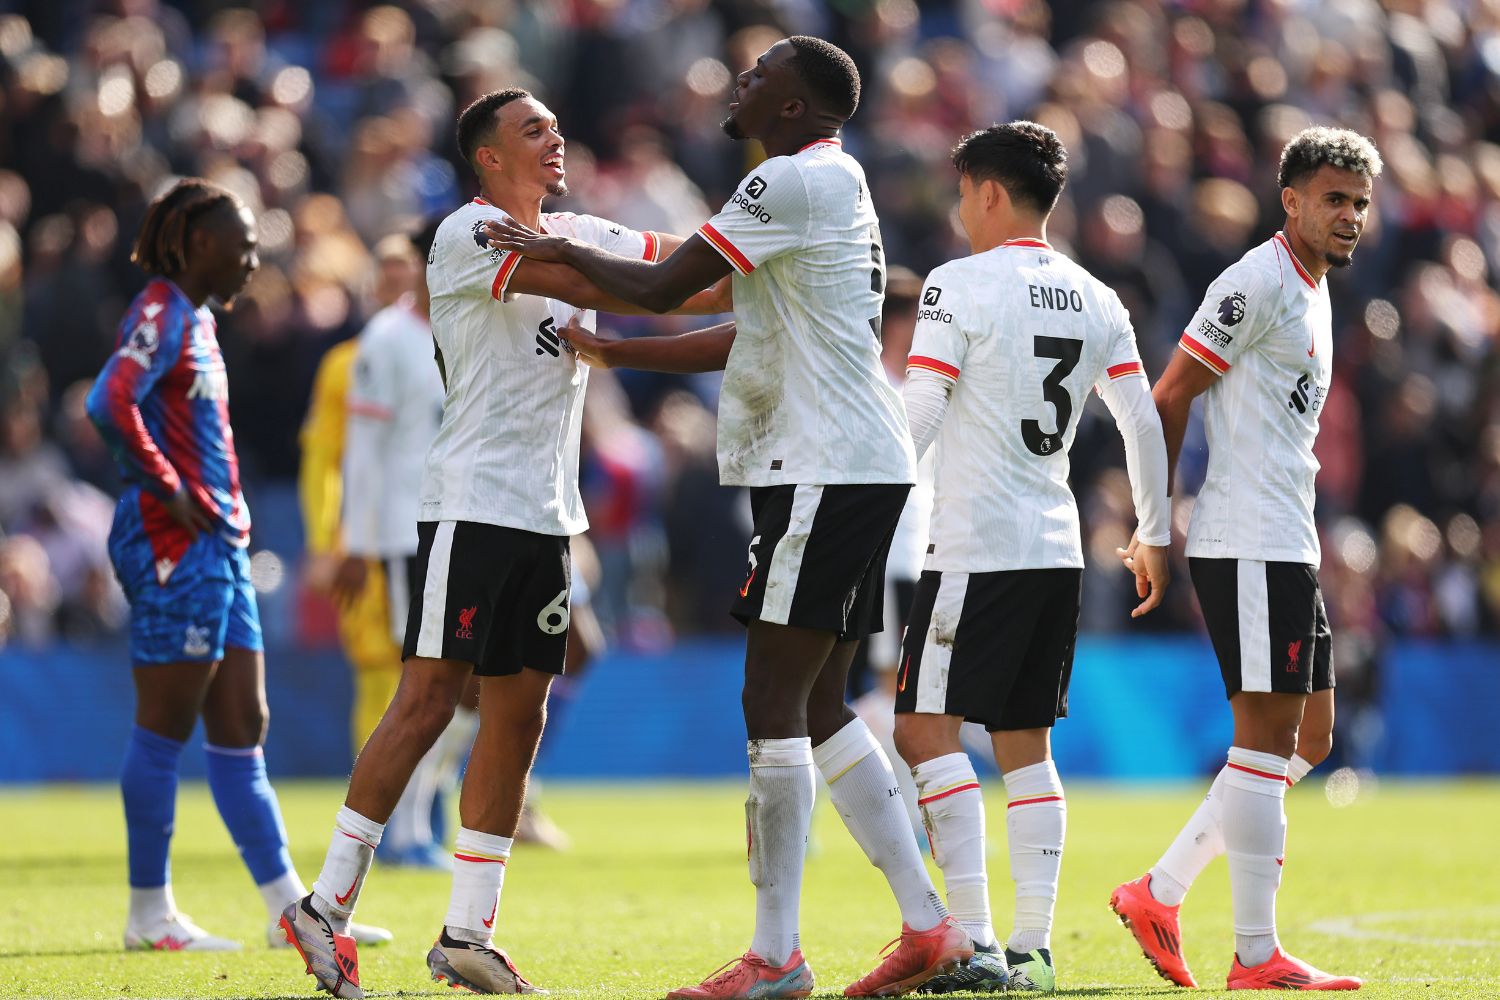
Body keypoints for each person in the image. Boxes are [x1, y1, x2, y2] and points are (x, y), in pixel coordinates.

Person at [491, 36, 973, 1000]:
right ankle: (930, 927)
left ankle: (777, 955)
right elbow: (746, 331)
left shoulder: (785, 185)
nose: (739, 83)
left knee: (771, 701)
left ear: (794, 107)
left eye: (758, 77)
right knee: (824, 704)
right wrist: (619, 357)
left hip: (825, 468)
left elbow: (667, 287)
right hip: (844, 463)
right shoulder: (825, 184)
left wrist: (554, 250)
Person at [279, 88, 726, 999]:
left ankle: (467, 932)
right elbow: (603, 285)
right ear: (487, 156)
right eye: (533, 130)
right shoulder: (467, 235)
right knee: (428, 698)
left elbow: (692, 277)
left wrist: (769, 263)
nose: (555, 137)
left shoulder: (575, 227)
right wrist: (677, 280)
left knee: (520, 713)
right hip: (474, 505)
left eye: (558, 125)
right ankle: (322, 905)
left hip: (550, 516)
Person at [878, 122, 1172, 996]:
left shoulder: (957, 285)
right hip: (1055, 544)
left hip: (971, 544)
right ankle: (1034, 950)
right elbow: (1142, 422)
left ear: (991, 193)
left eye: (964, 191)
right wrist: (1152, 529)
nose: (960, 208)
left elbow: (922, 412)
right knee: (1025, 747)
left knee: (923, 730)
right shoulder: (1097, 296)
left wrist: (865, 490)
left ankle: (969, 938)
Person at [84, 178, 390, 953]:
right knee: (164, 724)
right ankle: (149, 914)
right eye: (241, 241)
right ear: (194, 244)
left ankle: (288, 907)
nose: (255, 257)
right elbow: (106, 402)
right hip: (171, 540)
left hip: (217, 541)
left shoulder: (199, 321)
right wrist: (168, 483)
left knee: (243, 720)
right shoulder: (158, 308)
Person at [1108, 126, 1380, 992]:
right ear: (1290, 199)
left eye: (1360, 204)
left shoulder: (1315, 288)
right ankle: (1256, 955)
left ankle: (1160, 889)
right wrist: (1157, 525)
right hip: (1247, 538)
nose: (1349, 217)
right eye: (1334, 199)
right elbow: (1168, 393)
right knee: (1264, 745)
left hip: (1285, 539)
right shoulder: (1255, 282)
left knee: (1312, 736)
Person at [299, 229, 478, 870]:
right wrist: (352, 541)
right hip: (408, 534)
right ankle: (402, 834)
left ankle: (420, 809)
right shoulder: (385, 339)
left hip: (471, 522)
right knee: (424, 682)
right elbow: (361, 454)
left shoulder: (470, 325)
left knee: (469, 687)